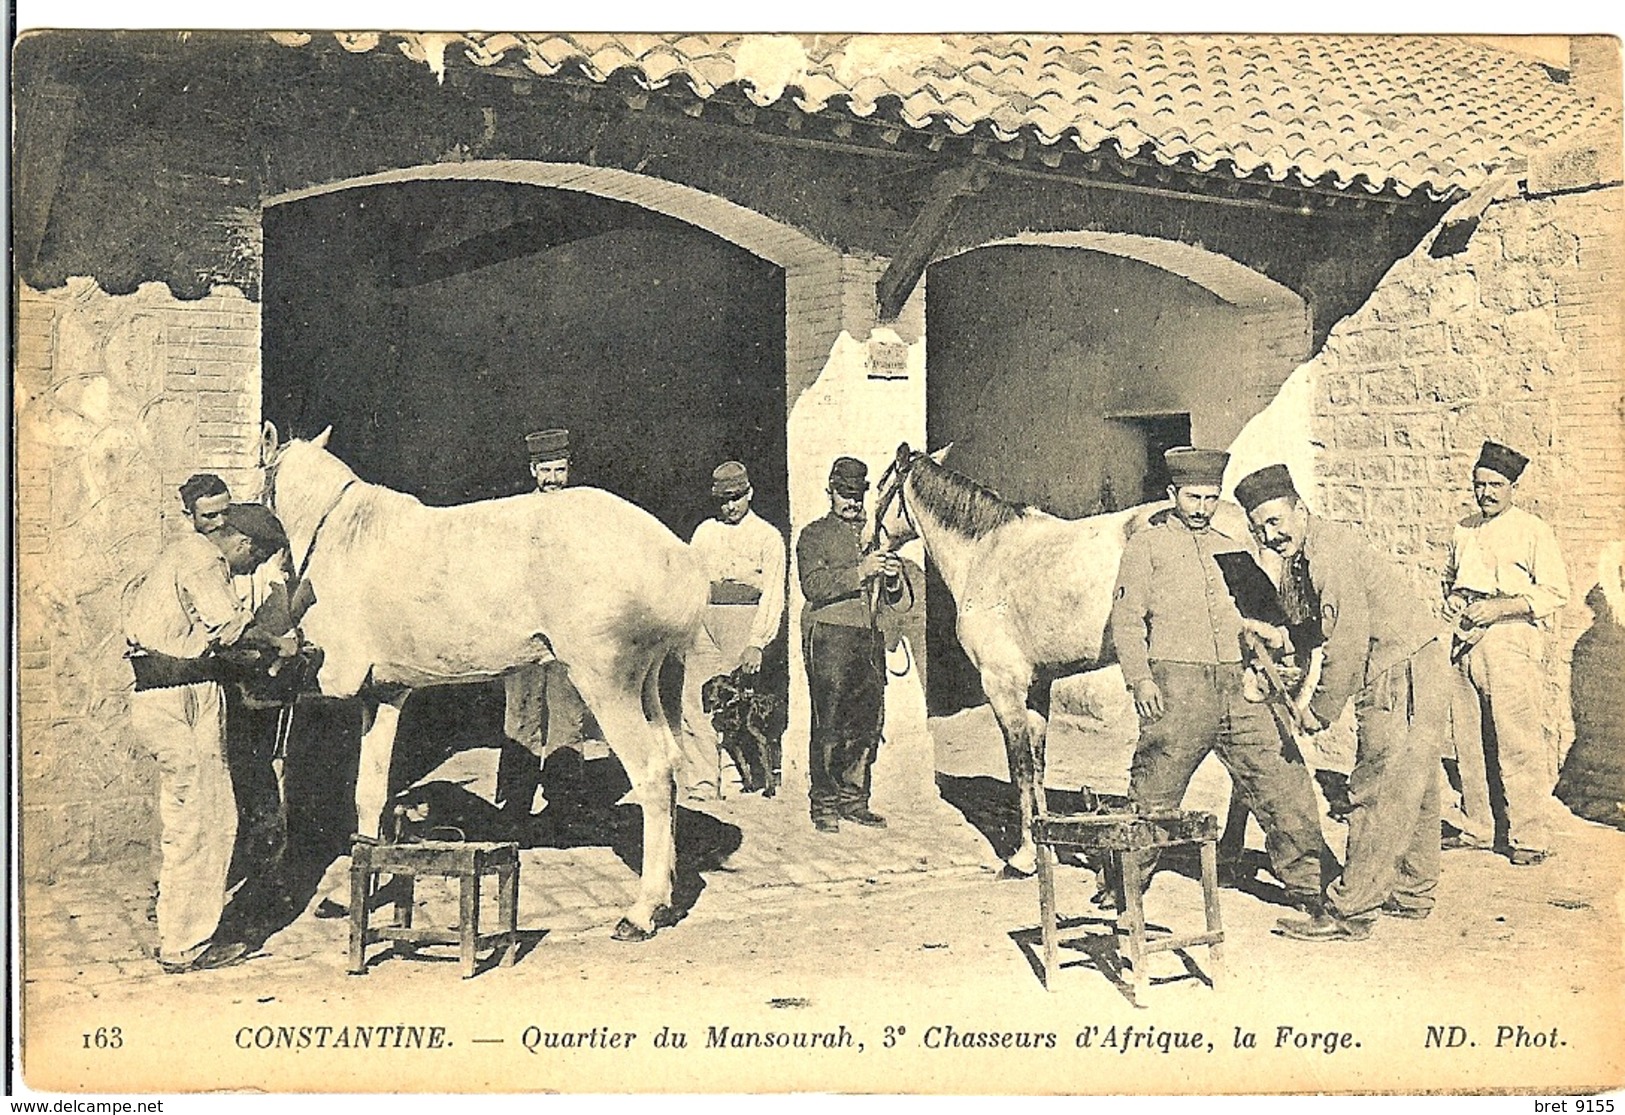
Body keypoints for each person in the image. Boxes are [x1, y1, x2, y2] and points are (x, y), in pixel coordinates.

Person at [1110, 447, 1333, 911]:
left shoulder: (1231, 545)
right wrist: (1141, 680)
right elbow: (1126, 620)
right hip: (1177, 689)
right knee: (1154, 791)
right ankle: (1123, 886)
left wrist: (1278, 654)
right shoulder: (1146, 546)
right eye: (1193, 497)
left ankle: (1311, 886)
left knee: (1282, 779)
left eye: (1211, 498)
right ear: (1173, 494)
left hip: (1240, 689)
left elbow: (1263, 613)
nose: (1202, 508)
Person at [1236, 463, 1447, 941]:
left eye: (1275, 521)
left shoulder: (1328, 556)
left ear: (1300, 509)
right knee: (1415, 783)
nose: (1269, 535)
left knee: (1378, 785)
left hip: (1401, 669)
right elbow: (1315, 630)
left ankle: (1350, 910)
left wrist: (1319, 711)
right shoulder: (1308, 555)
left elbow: (1346, 645)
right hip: (1419, 661)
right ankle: (1412, 889)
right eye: (1258, 528)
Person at [123, 502, 297, 972]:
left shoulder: (180, 552)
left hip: (159, 694)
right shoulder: (206, 560)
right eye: (254, 561)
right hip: (183, 698)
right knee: (210, 821)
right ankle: (188, 945)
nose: (249, 571)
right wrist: (280, 644)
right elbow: (232, 627)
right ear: (243, 544)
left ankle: (175, 928)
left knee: (186, 821)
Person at [1442, 440, 1570, 865]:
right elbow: (1450, 580)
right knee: (1469, 739)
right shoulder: (1463, 528)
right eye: (1479, 485)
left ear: (1513, 486)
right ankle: (1478, 825)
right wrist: (1454, 602)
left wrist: (1498, 607)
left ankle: (1529, 836)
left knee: (1517, 741)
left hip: (1510, 638)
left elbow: (1554, 591)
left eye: (1496, 485)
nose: (1486, 493)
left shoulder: (1533, 530)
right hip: (1465, 639)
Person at [797, 456, 909, 832]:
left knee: (866, 722)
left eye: (858, 495)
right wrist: (861, 572)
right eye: (844, 494)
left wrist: (892, 577)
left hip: (869, 637)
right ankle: (824, 804)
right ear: (830, 492)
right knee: (829, 722)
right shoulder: (813, 535)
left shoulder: (875, 533)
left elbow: (895, 597)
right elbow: (813, 586)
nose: (852, 503)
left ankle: (854, 800)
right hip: (829, 636)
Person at [498, 428, 594, 817]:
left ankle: (564, 802)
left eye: (559, 470)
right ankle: (515, 803)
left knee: (568, 712)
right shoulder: (516, 513)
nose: (553, 479)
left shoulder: (583, 513)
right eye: (545, 470)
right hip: (523, 629)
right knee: (520, 712)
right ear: (532, 470)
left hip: (567, 631)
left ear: (569, 469)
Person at [678, 461, 787, 798]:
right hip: (704, 621)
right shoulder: (704, 533)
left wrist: (758, 642)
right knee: (696, 700)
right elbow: (691, 581)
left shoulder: (767, 536)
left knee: (737, 705)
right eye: (724, 500)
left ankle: (737, 777)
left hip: (744, 621)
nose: (730, 506)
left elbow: (773, 593)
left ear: (750, 493)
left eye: (737, 498)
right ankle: (703, 782)